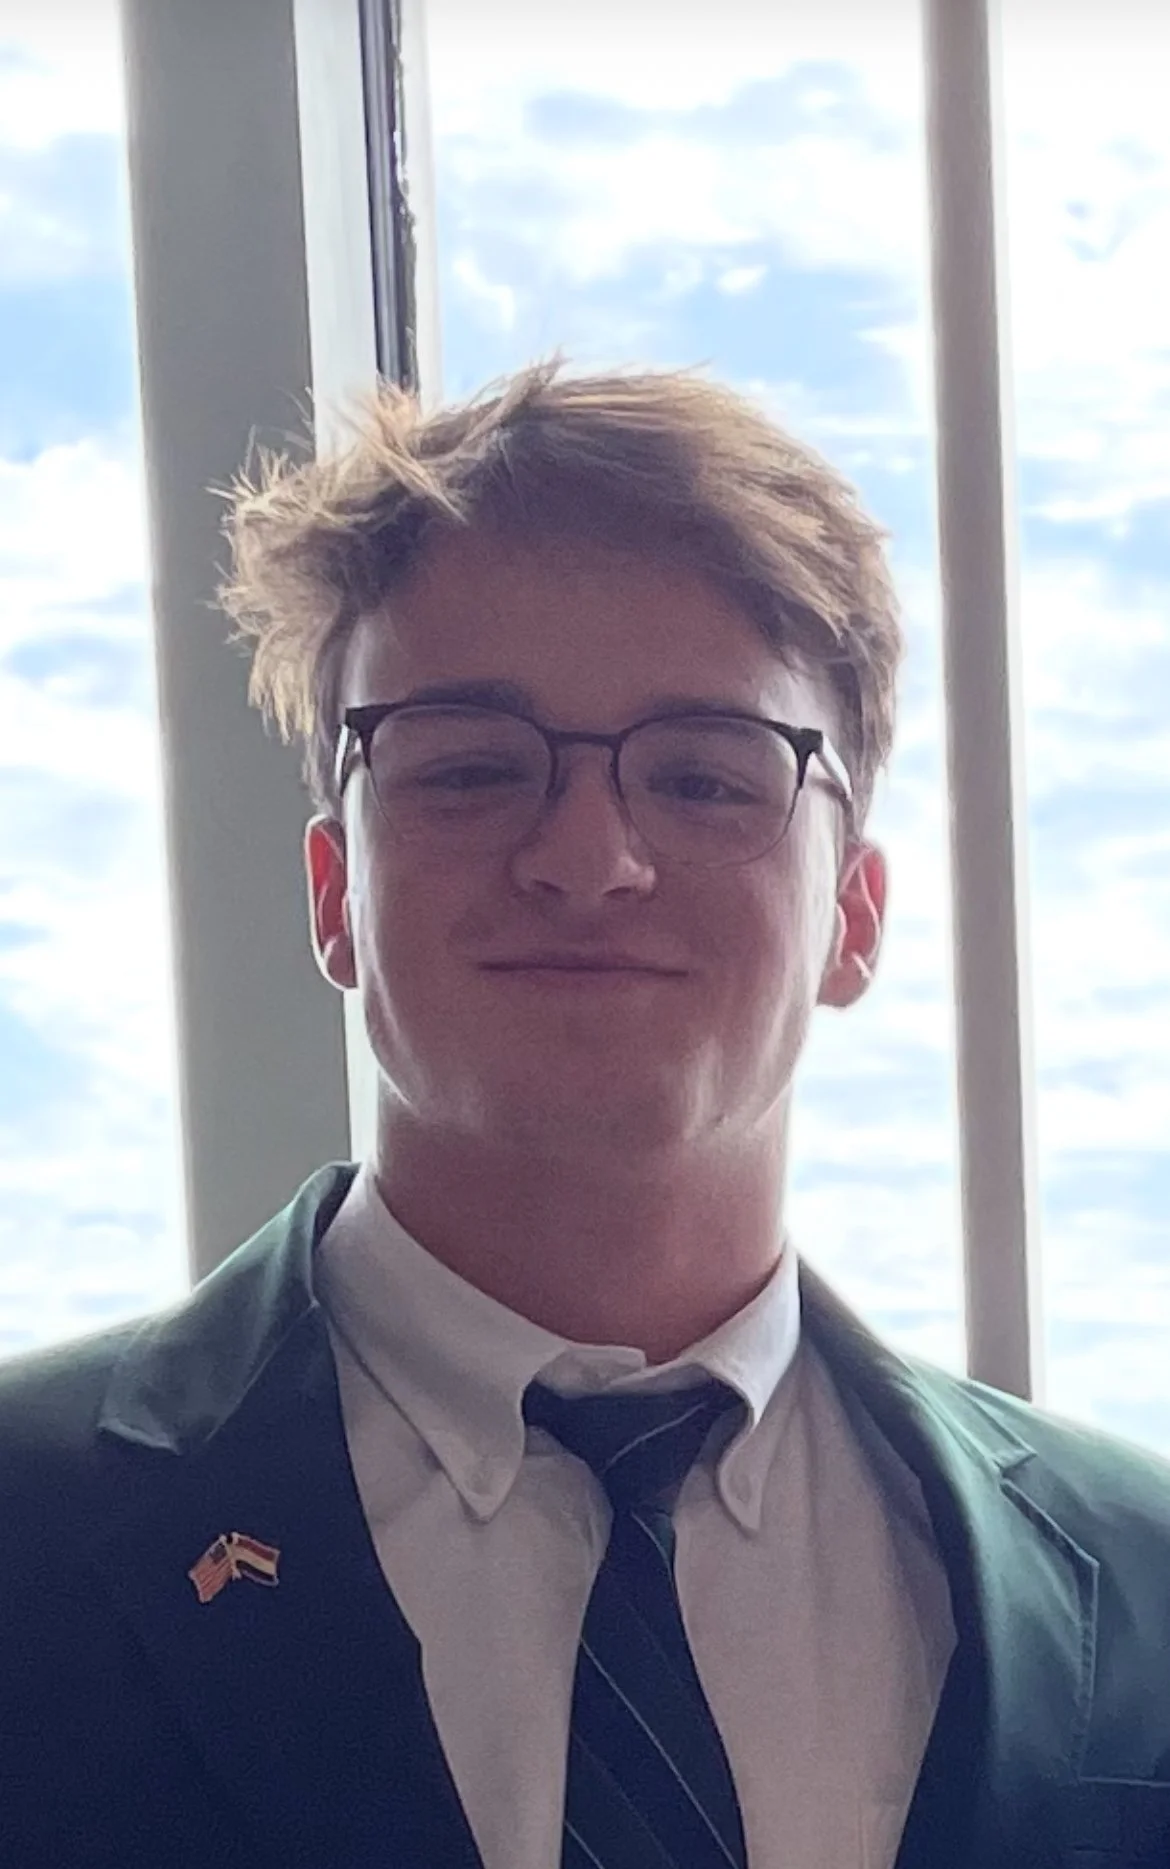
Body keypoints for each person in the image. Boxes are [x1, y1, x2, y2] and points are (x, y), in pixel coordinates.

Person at [2, 362, 1169, 1869]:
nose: (586, 856)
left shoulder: (1141, 1593)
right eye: (472, 767)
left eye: (702, 775)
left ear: (854, 918)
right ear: (333, 892)